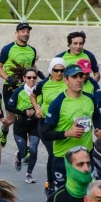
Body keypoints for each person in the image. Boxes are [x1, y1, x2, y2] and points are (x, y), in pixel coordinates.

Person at [41, 63, 101, 190]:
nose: (79, 79)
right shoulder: (57, 103)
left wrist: (98, 128)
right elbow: (45, 133)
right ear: (66, 80)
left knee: (86, 194)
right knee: (63, 199)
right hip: (63, 158)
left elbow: (96, 115)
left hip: (85, 156)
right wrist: (68, 133)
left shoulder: (90, 99)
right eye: (74, 77)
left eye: (81, 76)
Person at [32, 57, 67, 191]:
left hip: (62, 124)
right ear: (50, 70)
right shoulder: (43, 84)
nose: (59, 73)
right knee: (53, 153)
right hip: (46, 123)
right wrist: (37, 108)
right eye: (55, 70)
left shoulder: (67, 83)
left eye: (61, 70)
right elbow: (33, 96)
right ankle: (50, 183)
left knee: (65, 153)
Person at [5, 66, 41, 183]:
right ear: (24, 78)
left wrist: (37, 112)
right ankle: (19, 156)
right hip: (20, 124)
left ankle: (29, 174)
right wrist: (24, 112)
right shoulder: (18, 91)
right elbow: (9, 106)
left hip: (35, 124)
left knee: (34, 149)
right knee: (24, 151)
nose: (32, 80)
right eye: (29, 77)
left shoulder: (40, 90)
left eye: (34, 77)